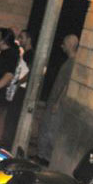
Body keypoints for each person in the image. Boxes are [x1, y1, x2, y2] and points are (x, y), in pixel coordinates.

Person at [36, 34, 79, 165]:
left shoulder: (72, 63)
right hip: (55, 101)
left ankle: (45, 158)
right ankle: (42, 156)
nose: (62, 46)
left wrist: (57, 102)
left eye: (64, 43)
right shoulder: (69, 61)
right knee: (47, 127)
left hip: (58, 103)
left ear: (70, 45)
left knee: (50, 129)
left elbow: (67, 85)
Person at [2, 29, 34, 148]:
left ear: (29, 39)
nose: (19, 40)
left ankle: (8, 146)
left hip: (21, 89)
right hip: (18, 88)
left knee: (12, 118)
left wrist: (18, 82)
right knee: (10, 118)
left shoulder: (30, 55)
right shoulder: (24, 53)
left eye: (22, 37)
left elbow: (32, 72)